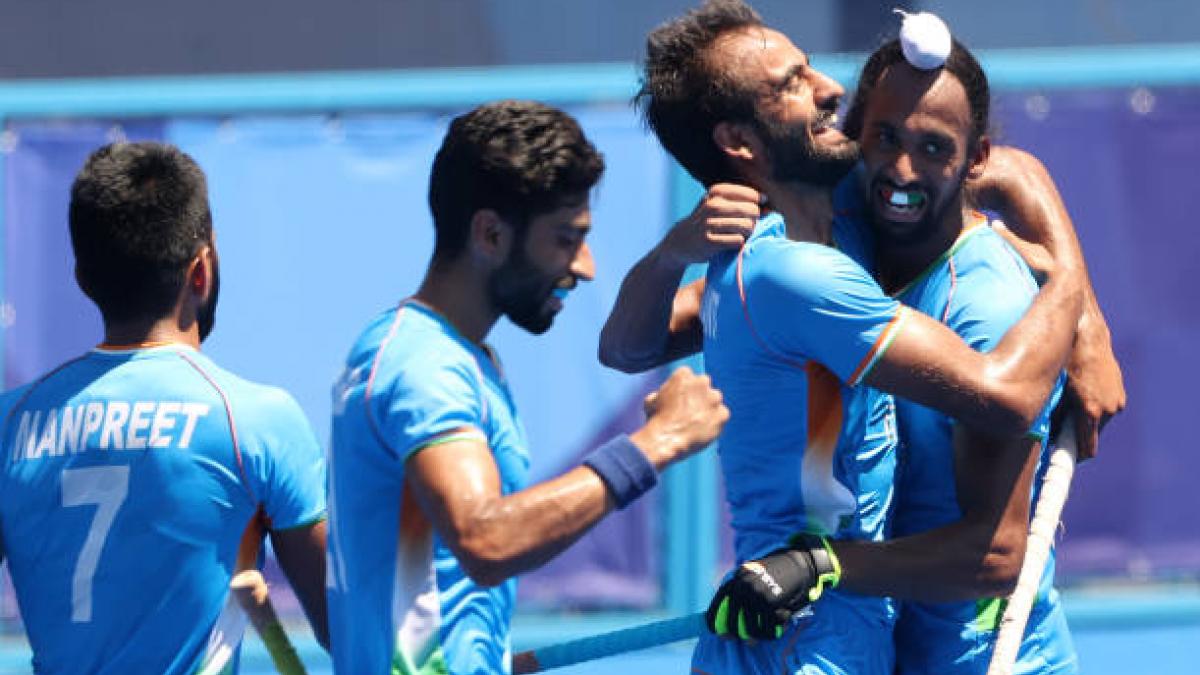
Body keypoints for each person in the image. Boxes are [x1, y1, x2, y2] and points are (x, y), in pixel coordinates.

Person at [599, 1, 1119, 672]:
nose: (829, 89)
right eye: (791, 83)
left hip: (929, 645)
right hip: (807, 638)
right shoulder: (797, 266)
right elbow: (1009, 395)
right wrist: (1073, 289)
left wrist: (1085, 317)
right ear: (741, 142)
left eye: (933, 148)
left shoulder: (853, 223)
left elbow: (1011, 166)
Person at [708, 36, 1081, 674]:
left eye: (935, 148)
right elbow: (637, 341)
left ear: (972, 161)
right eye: (886, 139)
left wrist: (821, 565)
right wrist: (673, 255)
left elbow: (994, 556)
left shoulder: (988, 306)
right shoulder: (842, 229)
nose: (903, 171)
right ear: (855, 135)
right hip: (892, 649)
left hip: (992, 662)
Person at [324, 100, 729, 675]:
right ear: (490, 234)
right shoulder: (425, 366)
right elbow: (485, 541)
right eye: (566, 238)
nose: (585, 266)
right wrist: (657, 442)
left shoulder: (449, 354)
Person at [0, 142, 329, 674]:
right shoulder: (255, 422)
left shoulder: (9, 424)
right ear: (201, 271)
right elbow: (357, 634)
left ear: (82, 278)